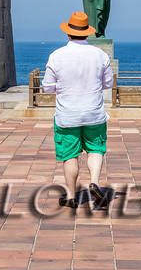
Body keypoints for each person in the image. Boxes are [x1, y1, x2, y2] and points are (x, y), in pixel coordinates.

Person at [40, 11, 115, 209]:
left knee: (70, 154)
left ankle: (72, 196)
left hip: (67, 114)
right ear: (87, 33)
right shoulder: (100, 55)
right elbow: (108, 83)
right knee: (95, 149)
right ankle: (95, 182)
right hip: (94, 112)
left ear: (68, 33)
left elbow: (47, 87)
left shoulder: (56, 56)